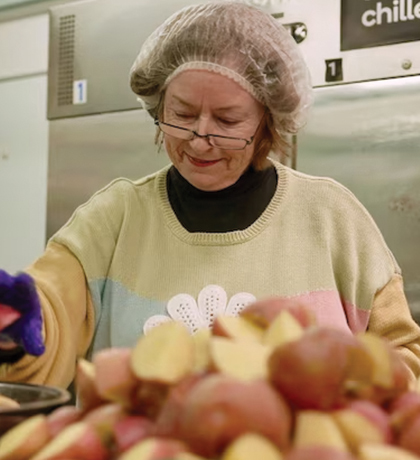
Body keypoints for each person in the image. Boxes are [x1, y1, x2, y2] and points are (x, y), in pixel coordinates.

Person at [1, 0, 420, 389]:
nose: (200, 141)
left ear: (268, 122)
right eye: (182, 114)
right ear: (157, 106)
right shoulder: (113, 219)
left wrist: (343, 379)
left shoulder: (333, 218)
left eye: (227, 119)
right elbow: (51, 314)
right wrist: (17, 326)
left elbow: (404, 357)